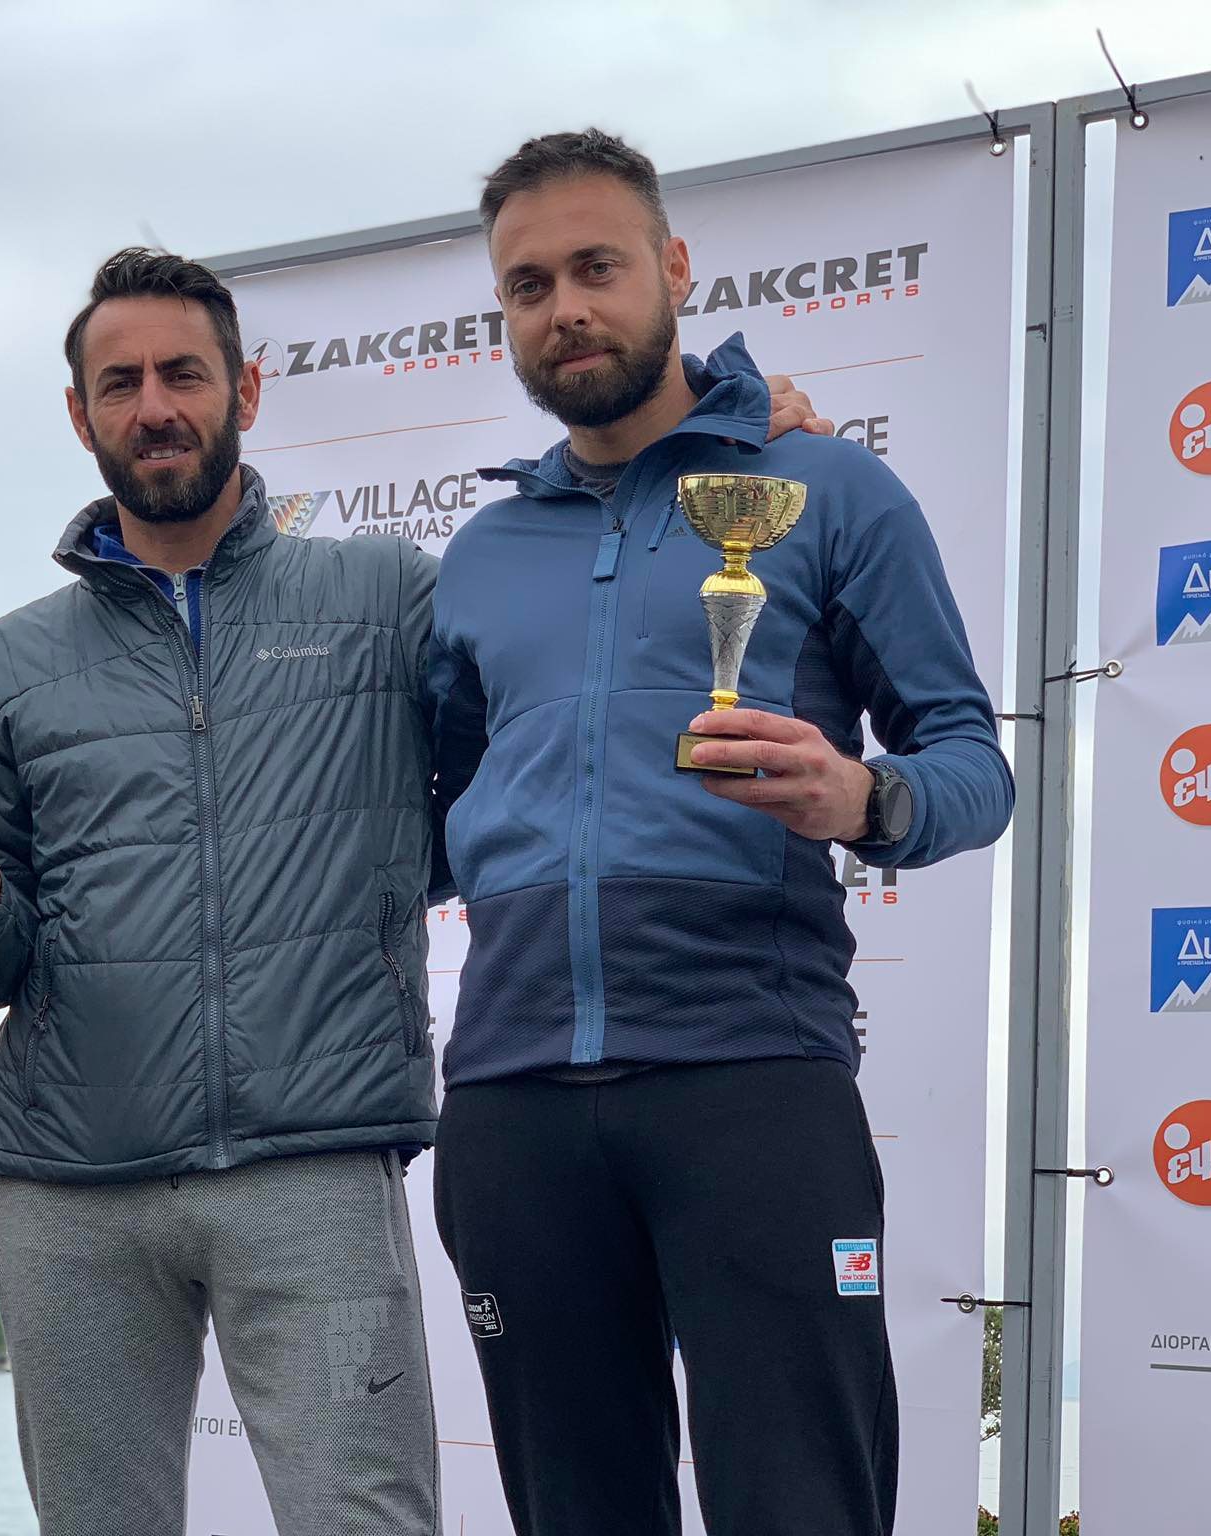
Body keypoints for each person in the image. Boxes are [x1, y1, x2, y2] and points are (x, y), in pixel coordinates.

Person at [0, 249, 830, 1535]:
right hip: (66, 1186)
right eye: (120, 383)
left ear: (244, 392)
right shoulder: (8, 661)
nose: (153, 407)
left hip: (315, 1160)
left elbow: (563, 631)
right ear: (78, 413)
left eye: (183, 375)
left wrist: (724, 441)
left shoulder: (388, 595)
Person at [426, 129, 1015, 1535]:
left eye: (597, 268)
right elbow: (430, 820)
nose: (565, 309)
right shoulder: (481, 555)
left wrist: (864, 799)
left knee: (800, 1506)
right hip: (509, 1097)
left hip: (751, 1078)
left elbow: (971, 761)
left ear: (674, 268)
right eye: (527, 286)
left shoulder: (829, 489)